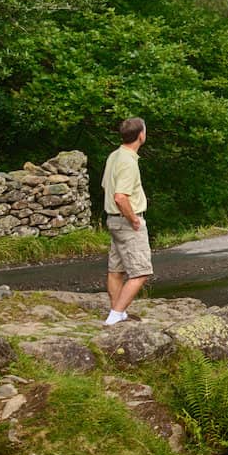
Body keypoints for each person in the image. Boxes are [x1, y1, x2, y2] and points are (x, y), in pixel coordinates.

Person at [100, 117, 152, 325]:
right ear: (141, 135)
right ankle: (114, 316)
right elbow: (120, 196)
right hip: (127, 222)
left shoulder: (114, 155)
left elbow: (106, 186)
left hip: (114, 221)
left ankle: (118, 313)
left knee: (117, 269)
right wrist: (134, 220)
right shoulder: (128, 161)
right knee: (141, 273)